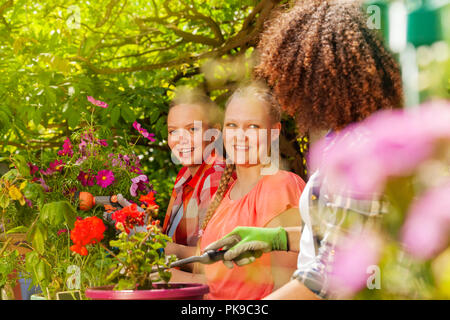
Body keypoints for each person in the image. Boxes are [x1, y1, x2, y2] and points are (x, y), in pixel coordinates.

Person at [203, 0, 403, 299]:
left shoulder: (362, 152)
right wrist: (277, 238)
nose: (288, 89)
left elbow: (329, 277)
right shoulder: (344, 139)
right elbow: (341, 236)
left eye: (296, 74)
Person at [197, 82, 306, 300]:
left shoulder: (280, 186)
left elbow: (289, 288)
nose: (240, 136)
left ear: (274, 133)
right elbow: (212, 280)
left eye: (253, 127)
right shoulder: (224, 194)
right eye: (232, 125)